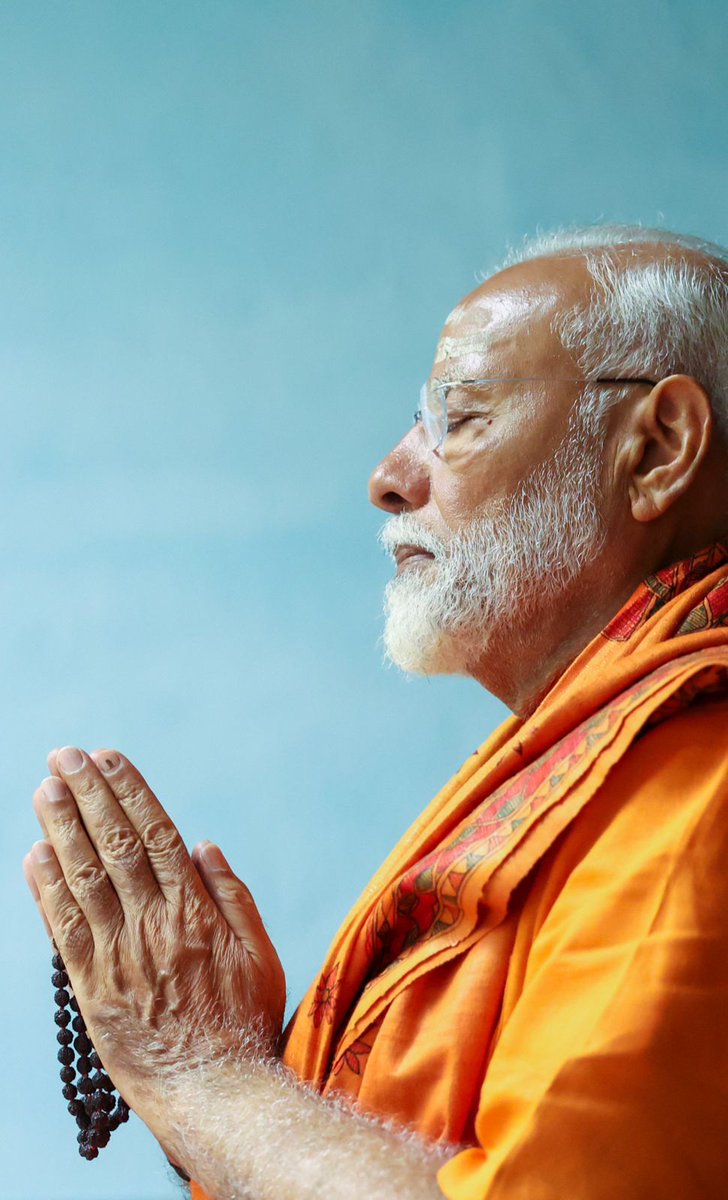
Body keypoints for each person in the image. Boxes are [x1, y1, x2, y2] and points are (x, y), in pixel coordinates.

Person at [24, 224, 728, 1199]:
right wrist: (250, 1094)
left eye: (459, 417)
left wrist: (206, 1077)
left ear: (654, 450)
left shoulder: (700, 791)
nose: (389, 478)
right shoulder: (591, 761)